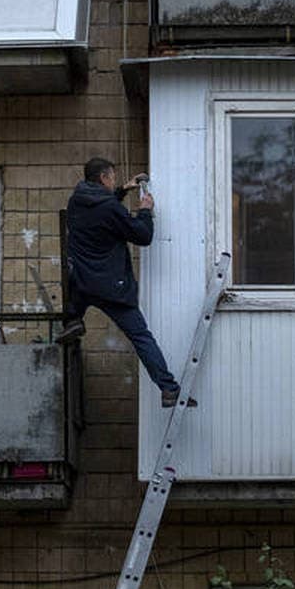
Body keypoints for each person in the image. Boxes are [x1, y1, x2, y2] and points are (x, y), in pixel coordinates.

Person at [64, 156, 182, 407]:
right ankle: (169, 389)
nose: (114, 181)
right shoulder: (110, 208)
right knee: (141, 336)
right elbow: (142, 236)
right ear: (104, 177)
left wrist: (123, 190)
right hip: (112, 288)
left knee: (73, 302)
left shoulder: (75, 202)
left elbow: (100, 210)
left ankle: (73, 320)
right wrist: (145, 211)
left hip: (82, 285)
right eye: (113, 178)